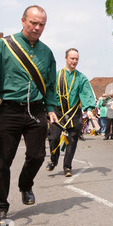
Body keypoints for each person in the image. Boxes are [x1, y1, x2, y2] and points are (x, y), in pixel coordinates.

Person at [0, 5, 58, 226]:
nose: (37, 28)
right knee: (2, 161)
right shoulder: (3, 46)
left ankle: (25, 184)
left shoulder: (47, 53)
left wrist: (51, 108)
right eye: (33, 23)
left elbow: (49, 85)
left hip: (36, 109)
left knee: (38, 155)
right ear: (23, 21)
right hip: (9, 109)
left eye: (41, 24)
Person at [46, 48, 96, 177]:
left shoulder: (81, 77)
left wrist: (89, 109)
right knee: (53, 138)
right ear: (66, 58)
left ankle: (67, 167)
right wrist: (48, 109)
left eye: (76, 59)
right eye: (72, 58)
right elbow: (49, 92)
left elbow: (86, 93)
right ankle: (53, 159)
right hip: (57, 112)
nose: (74, 61)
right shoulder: (56, 75)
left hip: (74, 113)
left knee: (71, 141)